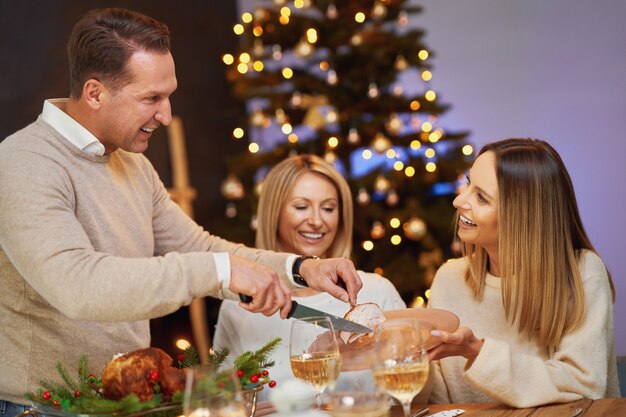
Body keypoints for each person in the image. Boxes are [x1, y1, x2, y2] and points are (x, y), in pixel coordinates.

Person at [0, 9, 363, 414]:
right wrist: (218, 270)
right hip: (40, 409)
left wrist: (299, 269)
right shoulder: (24, 163)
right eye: (151, 98)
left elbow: (199, 246)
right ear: (95, 93)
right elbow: (77, 287)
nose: (166, 115)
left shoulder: (131, 163)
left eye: (168, 95)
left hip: (127, 402)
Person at [426, 138, 620, 407]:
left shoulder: (582, 274)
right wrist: (400, 356)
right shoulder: (449, 278)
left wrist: (477, 352)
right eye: (468, 184)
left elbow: (583, 386)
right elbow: (436, 398)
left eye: (481, 197)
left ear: (521, 215)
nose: (459, 200)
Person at [213, 154, 406, 399]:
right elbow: (227, 404)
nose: (316, 221)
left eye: (328, 208)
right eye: (301, 206)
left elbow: (413, 391)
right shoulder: (240, 307)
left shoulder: (376, 292)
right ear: (274, 214)